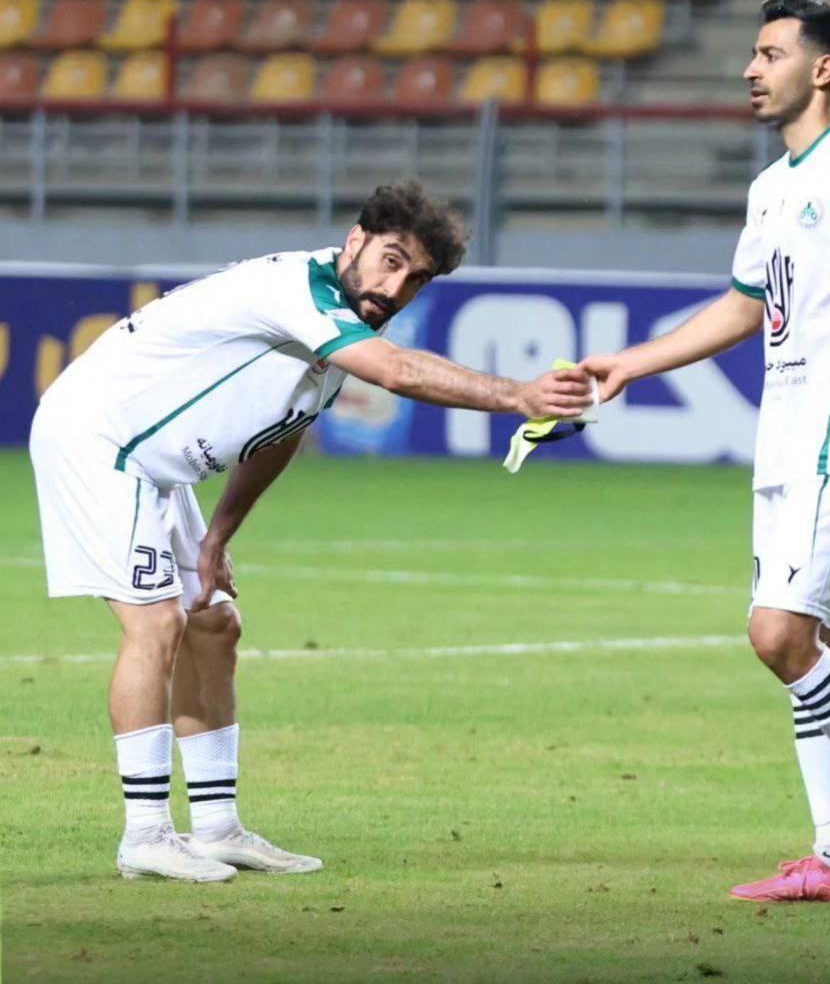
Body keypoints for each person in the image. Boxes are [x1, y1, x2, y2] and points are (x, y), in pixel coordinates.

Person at [29, 180, 592, 883]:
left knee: (214, 623)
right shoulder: (297, 289)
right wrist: (518, 395)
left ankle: (217, 828)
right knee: (156, 623)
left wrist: (218, 537)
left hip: (156, 466)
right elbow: (395, 372)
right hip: (100, 442)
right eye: (390, 260)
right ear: (356, 239)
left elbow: (281, 432)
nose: (394, 288)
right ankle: (145, 835)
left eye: (415, 279)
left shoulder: (338, 325)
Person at [581, 0, 830, 905]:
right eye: (751, 52)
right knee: (811, 642)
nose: (749, 68)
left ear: (821, 69)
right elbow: (744, 307)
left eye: (769, 53)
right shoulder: (771, 184)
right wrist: (631, 362)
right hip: (783, 439)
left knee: (776, 636)